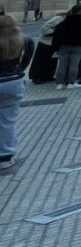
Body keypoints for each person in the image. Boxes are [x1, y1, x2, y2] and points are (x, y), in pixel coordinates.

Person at [0, 14, 35, 171]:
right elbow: (27, 58)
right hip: (13, 81)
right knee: (7, 120)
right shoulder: (25, 40)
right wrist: (19, 71)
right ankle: (5, 155)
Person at [51, 5, 81, 90]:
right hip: (78, 46)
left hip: (64, 46)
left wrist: (55, 47)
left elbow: (56, 36)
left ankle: (60, 83)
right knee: (74, 65)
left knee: (62, 65)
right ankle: (71, 82)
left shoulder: (63, 23)